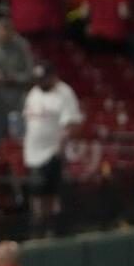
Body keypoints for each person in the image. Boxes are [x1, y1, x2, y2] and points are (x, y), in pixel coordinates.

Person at [22, 64, 82, 236]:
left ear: (53, 76)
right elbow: (27, 119)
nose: (42, 82)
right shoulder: (34, 92)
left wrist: (60, 151)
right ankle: (37, 227)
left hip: (52, 152)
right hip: (33, 152)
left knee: (51, 194)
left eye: (45, 78)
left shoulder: (64, 93)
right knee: (36, 192)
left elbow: (70, 124)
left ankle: (50, 228)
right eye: (39, 79)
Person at [0, 18, 35, 143]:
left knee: (20, 137)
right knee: (1, 138)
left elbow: (30, 74)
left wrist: (13, 77)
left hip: (18, 98)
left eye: (5, 36)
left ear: (12, 33)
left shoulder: (22, 46)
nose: (2, 38)